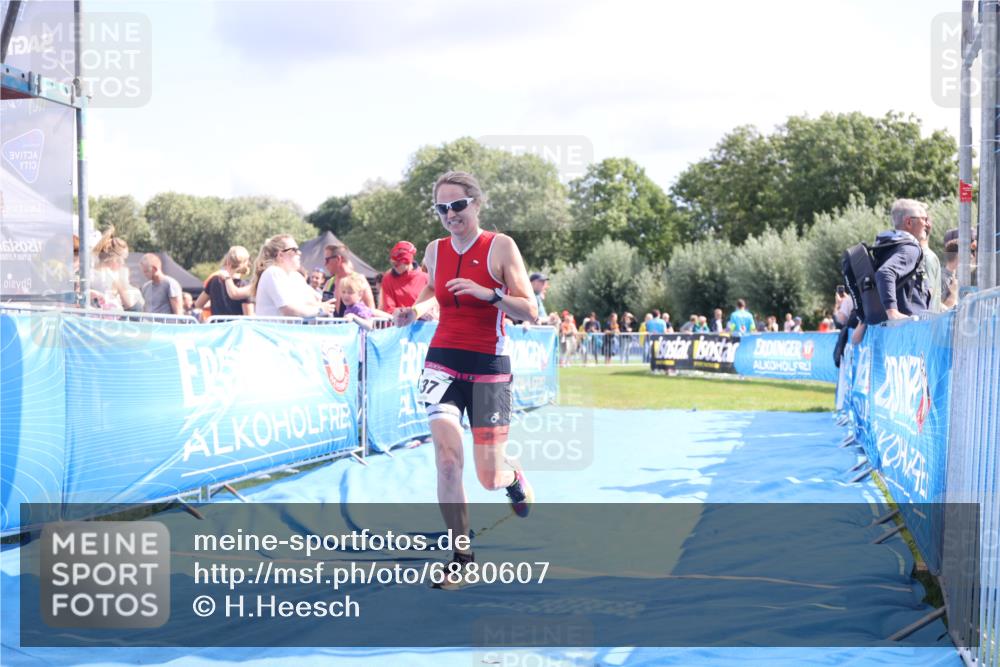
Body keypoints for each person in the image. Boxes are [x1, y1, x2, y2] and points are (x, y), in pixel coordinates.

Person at [392, 171, 537, 587]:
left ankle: (513, 476)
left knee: (488, 477)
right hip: (441, 360)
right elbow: (433, 293)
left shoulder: (501, 246)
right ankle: (461, 555)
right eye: (442, 208)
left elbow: (530, 310)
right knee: (447, 461)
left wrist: (487, 293)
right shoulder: (434, 250)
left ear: (476, 203)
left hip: (489, 366)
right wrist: (413, 312)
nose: (450, 215)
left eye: (457, 205)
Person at [851, 199, 932, 344]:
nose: (927, 224)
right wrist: (892, 312)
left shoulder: (887, 246)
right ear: (909, 222)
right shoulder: (910, 248)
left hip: (891, 337)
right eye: (924, 219)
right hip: (908, 334)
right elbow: (885, 273)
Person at [252, 235, 335, 318]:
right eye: (294, 250)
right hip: (272, 330)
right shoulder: (273, 272)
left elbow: (314, 300)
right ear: (280, 255)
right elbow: (288, 310)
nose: (299, 253)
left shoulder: (295, 276)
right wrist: (320, 310)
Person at [89, 227, 141, 312]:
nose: (123, 263)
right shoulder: (114, 275)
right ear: (114, 258)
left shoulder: (90, 273)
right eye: (122, 259)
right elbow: (130, 304)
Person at [195, 246, 255, 318]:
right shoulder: (244, 286)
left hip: (217, 327)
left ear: (227, 261)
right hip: (236, 328)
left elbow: (198, 304)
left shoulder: (214, 280)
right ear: (246, 263)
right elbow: (249, 317)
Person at [321, 243, 375, 315]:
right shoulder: (329, 283)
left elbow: (371, 312)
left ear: (338, 259)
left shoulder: (359, 280)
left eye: (327, 260)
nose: (325, 264)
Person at [379, 241, 429, 314]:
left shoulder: (425, 278)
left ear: (409, 261)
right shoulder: (388, 278)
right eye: (393, 263)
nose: (395, 266)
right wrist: (408, 313)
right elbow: (389, 308)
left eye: (398, 263)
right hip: (399, 322)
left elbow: (433, 304)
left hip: (425, 323)